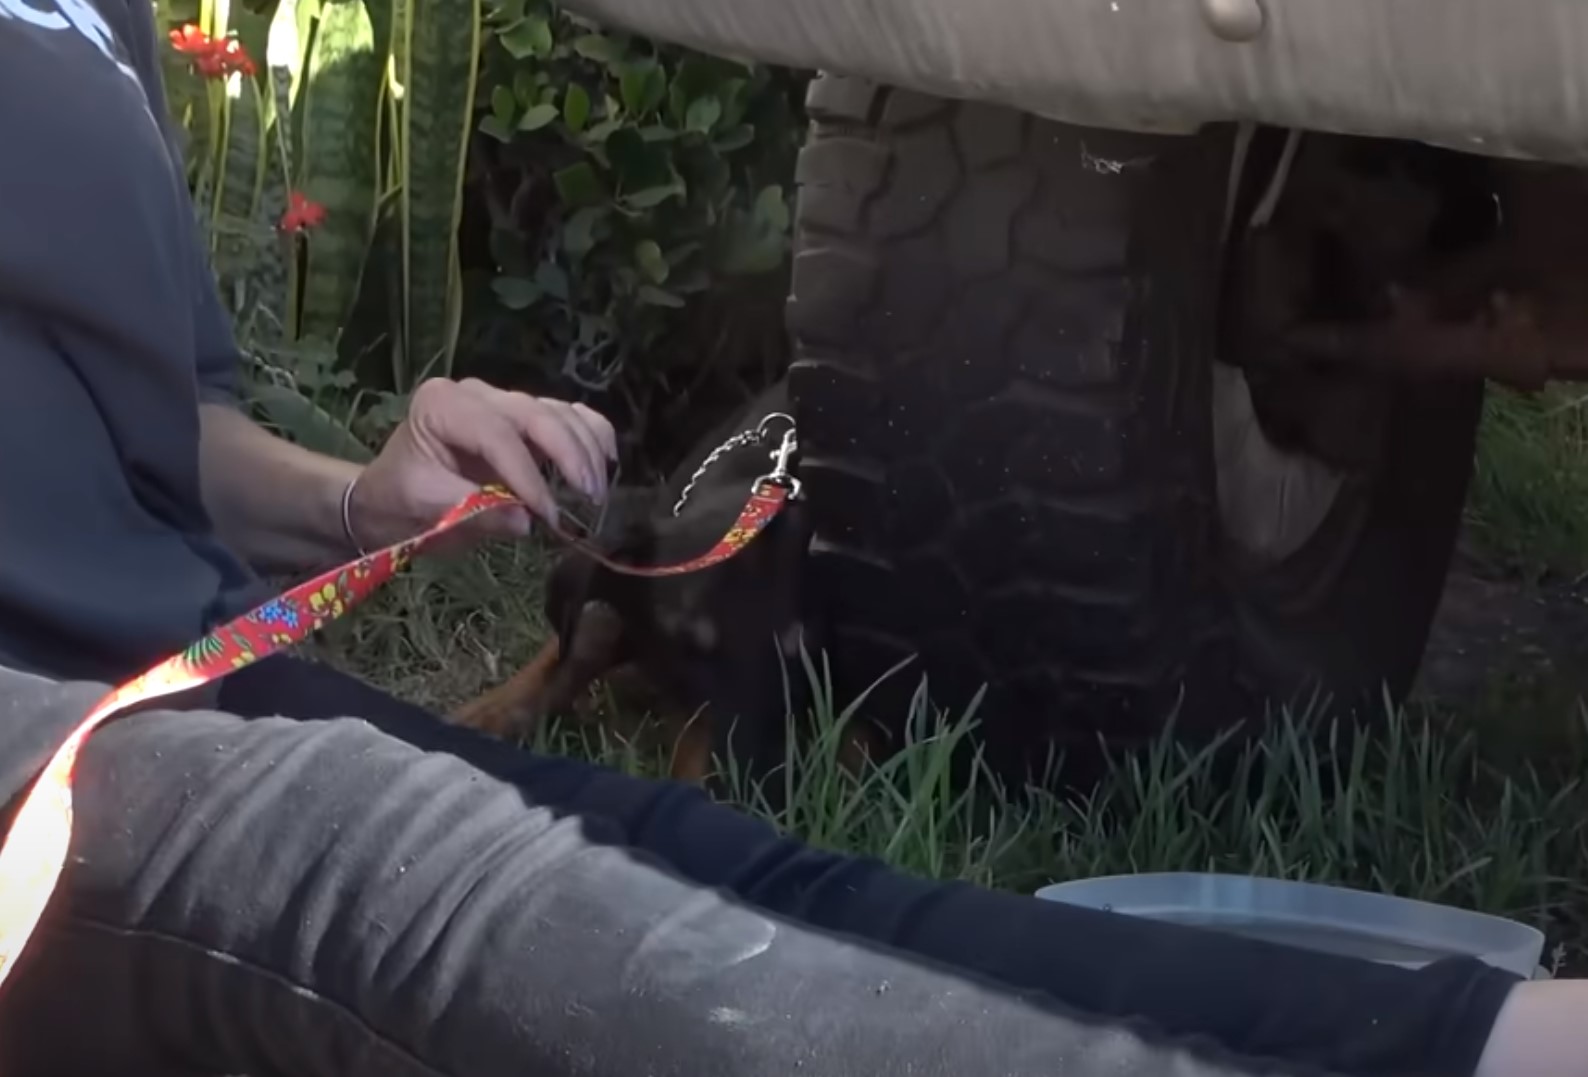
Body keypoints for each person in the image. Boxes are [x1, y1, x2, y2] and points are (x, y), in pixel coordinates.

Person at [0, 0, 1583, 1074]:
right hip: (44, 746)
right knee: (550, 935)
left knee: (713, 868)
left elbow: (152, 421)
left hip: (185, 676)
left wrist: (356, 495)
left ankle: (1502, 1031)